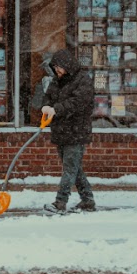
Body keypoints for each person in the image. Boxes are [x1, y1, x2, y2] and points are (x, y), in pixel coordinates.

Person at [38, 47, 97, 214]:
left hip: (77, 130)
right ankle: (87, 200)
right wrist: (46, 106)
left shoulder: (82, 80)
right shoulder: (57, 80)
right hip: (61, 130)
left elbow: (78, 102)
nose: (57, 71)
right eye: (55, 68)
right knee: (74, 168)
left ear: (67, 65)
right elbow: (49, 96)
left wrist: (57, 109)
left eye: (59, 67)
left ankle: (60, 202)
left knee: (69, 169)